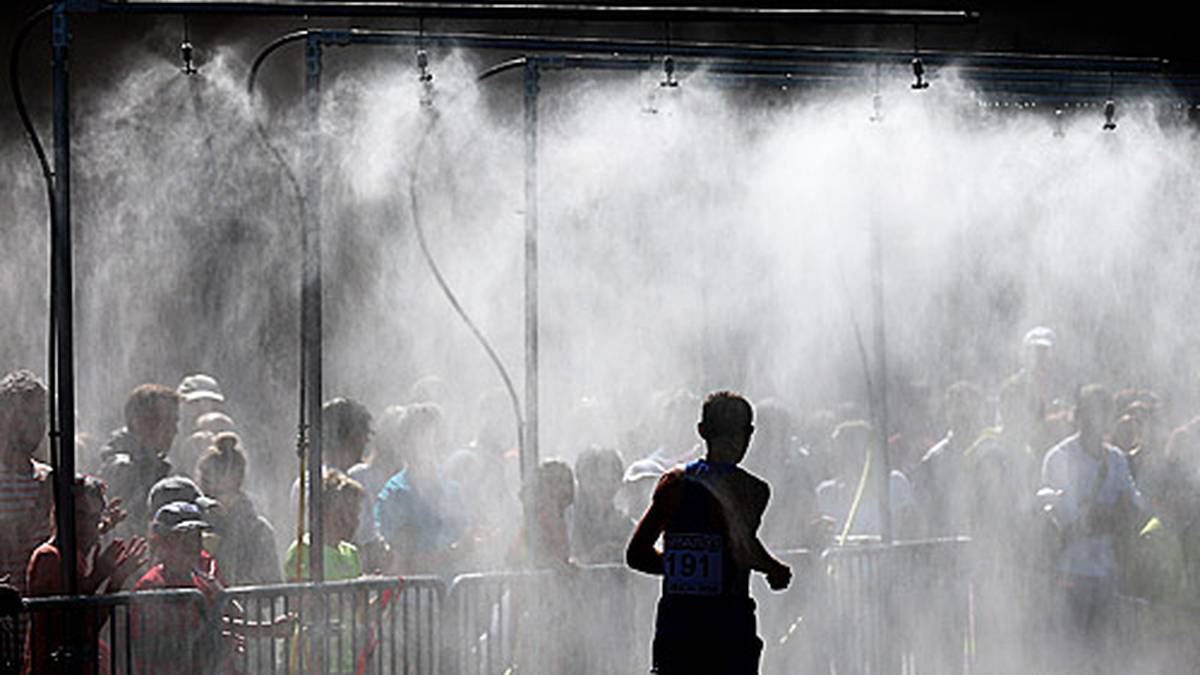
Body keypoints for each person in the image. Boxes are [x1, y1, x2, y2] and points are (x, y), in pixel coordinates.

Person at [626, 391, 791, 675]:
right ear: (749, 433)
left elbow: (638, 555)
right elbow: (741, 548)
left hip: (678, 632)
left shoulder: (674, 484)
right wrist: (774, 569)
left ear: (702, 431)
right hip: (729, 634)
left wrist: (682, 566)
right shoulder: (752, 490)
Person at [1040, 384, 1152, 671]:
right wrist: (1109, 516)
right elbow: (1072, 521)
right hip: (1069, 576)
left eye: (1103, 412)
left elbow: (1135, 509)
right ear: (1078, 415)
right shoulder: (1060, 457)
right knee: (1070, 658)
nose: (1097, 420)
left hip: (1107, 575)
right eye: (1091, 412)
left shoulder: (1116, 459)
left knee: (1104, 658)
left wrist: (1108, 515)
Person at [24, 475, 149, 675]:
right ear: (61, 514)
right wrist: (103, 576)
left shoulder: (74, 555)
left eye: (94, 518)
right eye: (80, 515)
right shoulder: (50, 558)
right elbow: (77, 627)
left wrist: (115, 579)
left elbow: (90, 622)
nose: (88, 525)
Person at [195, 432, 281, 586]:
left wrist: (246, 585)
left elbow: (272, 584)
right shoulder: (194, 529)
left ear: (237, 479)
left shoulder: (258, 531)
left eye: (220, 493)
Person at [99, 384, 181, 540]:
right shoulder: (124, 469)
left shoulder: (156, 466)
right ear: (141, 423)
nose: (174, 430)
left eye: (175, 422)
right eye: (168, 421)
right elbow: (126, 529)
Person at [0, 370, 53, 596]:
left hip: (40, 615)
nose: (37, 424)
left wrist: (90, 526)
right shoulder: (46, 487)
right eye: (26, 415)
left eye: (41, 416)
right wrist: (40, 509)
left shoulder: (47, 477)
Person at [570, 447, 632, 563]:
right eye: (599, 480)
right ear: (582, 480)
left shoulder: (625, 524)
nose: (606, 487)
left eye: (612, 480)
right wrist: (590, 559)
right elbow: (556, 564)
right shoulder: (568, 520)